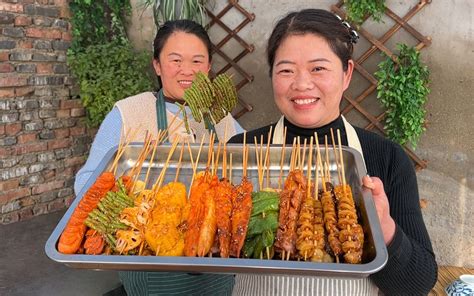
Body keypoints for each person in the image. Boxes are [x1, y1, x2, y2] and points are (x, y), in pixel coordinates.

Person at [228, 9, 437, 295]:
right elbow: (202, 263)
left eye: (318, 68)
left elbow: (418, 283)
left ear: (346, 73)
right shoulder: (240, 151)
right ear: (272, 75)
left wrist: (385, 229)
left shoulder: (386, 157)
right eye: (286, 70)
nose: (301, 84)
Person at [74, 20, 243, 296]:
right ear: (157, 65)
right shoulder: (129, 113)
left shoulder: (221, 119)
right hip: (150, 267)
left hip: (215, 266)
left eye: (197, 61)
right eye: (175, 60)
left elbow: (254, 171)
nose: (187, 70)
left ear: (208, 68)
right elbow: (85, 183)